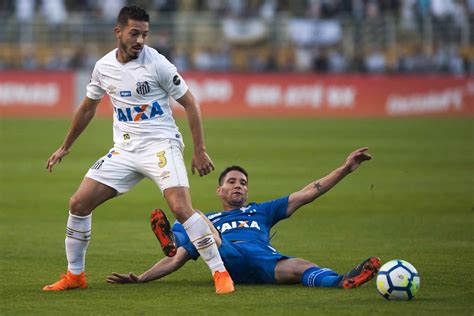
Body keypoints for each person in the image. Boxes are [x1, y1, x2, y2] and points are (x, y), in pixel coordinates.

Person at [43, 5, 234, 294]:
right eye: (134, 33)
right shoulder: (103, 67)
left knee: (181, 207)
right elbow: (87, 107)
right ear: (118, 32)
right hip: (125, 150)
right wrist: (65, 146)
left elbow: (190, 103)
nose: (140, 41)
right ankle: (75, 276)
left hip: (161, 145)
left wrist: (199, 150)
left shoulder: (157, 63)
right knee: (78, 204)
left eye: (145, 34)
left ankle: (220, 273)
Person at [107, 147, 381, 289]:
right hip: (226, 257)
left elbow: (308, 192)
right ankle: (172, 238)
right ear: (220, 189)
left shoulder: (261, 210)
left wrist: (345, 169)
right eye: (233, 181)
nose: (239, 186)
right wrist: (143, 278)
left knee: (300, 266)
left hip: (264, 262)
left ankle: (341, 281)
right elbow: (176, 259)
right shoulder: (211, 217)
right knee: (194, 217)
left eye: (243, 183)